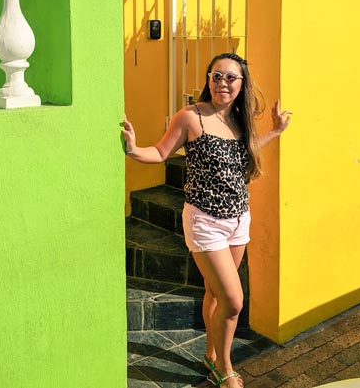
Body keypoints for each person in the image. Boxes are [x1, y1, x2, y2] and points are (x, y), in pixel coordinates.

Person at [122, 52, 291, 387]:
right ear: (207, 80)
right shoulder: (191, 116)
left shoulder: (241, 119)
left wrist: (276, 131)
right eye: (216, 76)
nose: (222, 83)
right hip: (205, 221)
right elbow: (160, 152)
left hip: (238, 219)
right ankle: (226, 367)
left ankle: (212, 354)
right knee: (233, 300)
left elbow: (248, 151)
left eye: (230, 77)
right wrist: (132, 149)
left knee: (214, 293)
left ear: (242, 84)